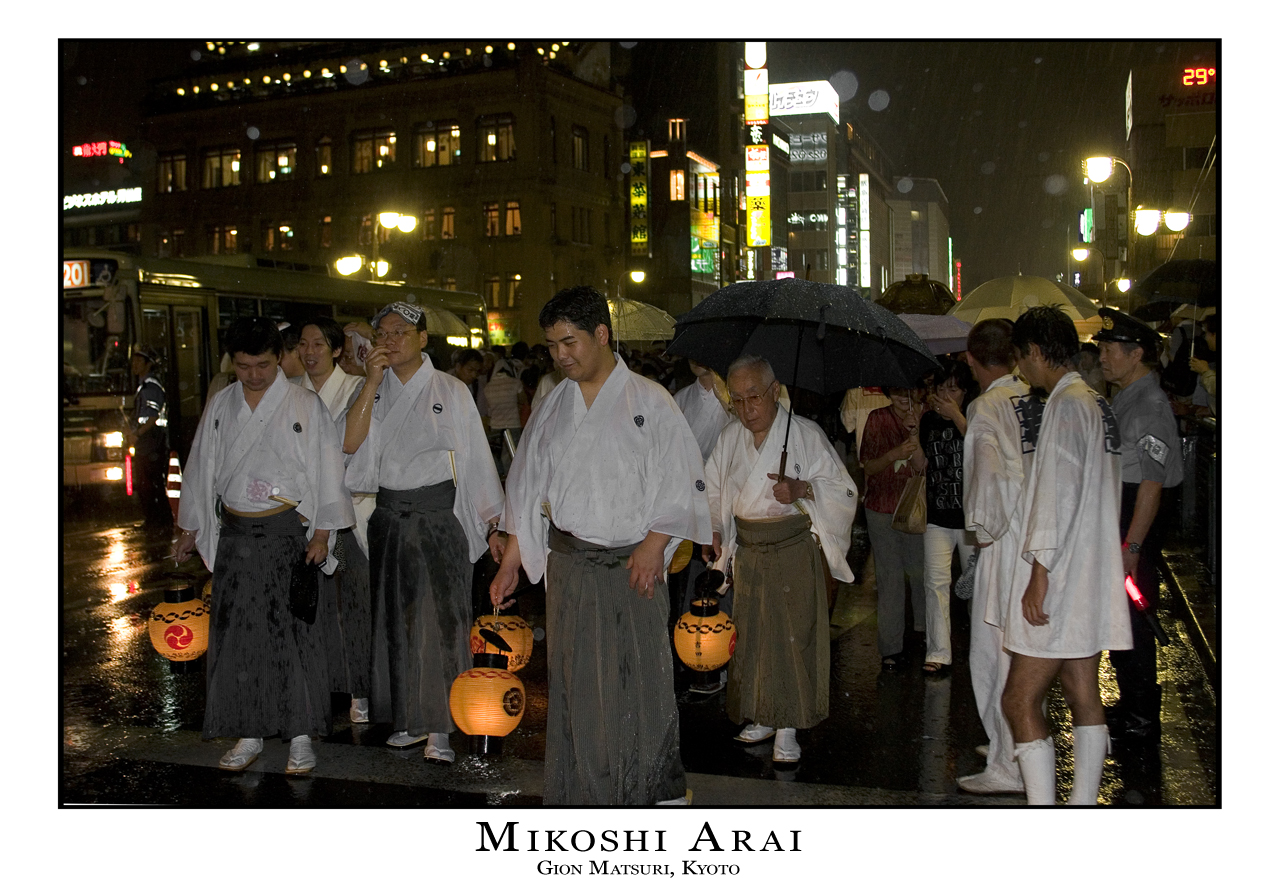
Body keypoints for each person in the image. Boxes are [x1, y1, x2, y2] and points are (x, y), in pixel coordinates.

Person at [489, 285, 711, 805]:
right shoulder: (551, 405)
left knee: (644, 677)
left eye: (569, 342)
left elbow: (681, 477)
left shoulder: (649, 399)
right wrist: (512, 562)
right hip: (570, 562)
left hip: (633, 559)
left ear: (601, 334)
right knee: (576, 681)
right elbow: (526, 486)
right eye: (551, 346)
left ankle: (655, 783)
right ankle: (585, 786)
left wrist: (656, 544)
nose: (560, 356)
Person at [172, 316, 354, 775]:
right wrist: (190, 527)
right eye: (244, 366)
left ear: (279, 358)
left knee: (293, 638)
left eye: (263, 365)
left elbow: (326, 468)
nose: (254, 375)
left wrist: (321, 532)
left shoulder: (303, 404)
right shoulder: (221, 404)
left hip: (285, 535)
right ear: (232, 363)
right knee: (239, 638)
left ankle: (299, 737)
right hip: (236, 534)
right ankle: (249, 731)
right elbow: (200, 467)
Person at [343, 302, 504, 764]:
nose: (389, 340)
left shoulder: (449, 389)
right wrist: (370, 383)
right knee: (393, 620)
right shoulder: (370, 390)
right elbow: (349, 445)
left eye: (400, 331)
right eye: (382, 334)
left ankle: (440, 727)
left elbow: (474, 458)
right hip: (388, 516)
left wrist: (493, 522)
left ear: (422, 339)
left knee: (440, 623)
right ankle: (409, 718)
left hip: (437, 517)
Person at [1000, 306, 1132, 805]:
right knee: (1083, 694)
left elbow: (1056, 495)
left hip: (1061, 576)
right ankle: (1081, 806)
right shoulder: (1097, 402)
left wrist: (1039, 573)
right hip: (1092, 570)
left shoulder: (1065, 404)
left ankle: (1046, 812)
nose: (1021, 370)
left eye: (1022, 359)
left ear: (1036, 352)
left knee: (1018, 700)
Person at [703, 355, 857, 763]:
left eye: (754, 397)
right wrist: (715, 529)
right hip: (749, 551)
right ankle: (762, 714)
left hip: (790, 549)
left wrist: (803, 488)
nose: (746, 409)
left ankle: (788, 725)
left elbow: (843, 490)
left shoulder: (805, 434)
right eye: (736, 400)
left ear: (774, 392)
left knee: (792, 635)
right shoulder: (730, 438)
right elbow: (714, 488)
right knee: (752, 636)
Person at [1095, 307, 1184, 743]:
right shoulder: (1127, 396)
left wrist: (1132, 547)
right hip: (1124, 517)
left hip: (1136, 521)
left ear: (1136, 354)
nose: (1103, 358)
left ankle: (1142, 716)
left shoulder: (1148, 404)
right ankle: (1131, 704)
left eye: (1110, 350)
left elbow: (1152, 482)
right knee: (1123, 618)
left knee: (1134, 618)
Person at [957, 319, 1038, 796]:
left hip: (1004, 544)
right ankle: (1014, 743)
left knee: (992, 654)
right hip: (1036, 542)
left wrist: (984, 531)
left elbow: (987, 476)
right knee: (1022, 653)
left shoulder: (986, 407)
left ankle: (1007, 761)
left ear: (971, 360)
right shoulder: (1034, 400)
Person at [298, 317, 374, 725]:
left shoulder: (354, 389)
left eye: (318, 345)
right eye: (303, 345)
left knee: (353, 605)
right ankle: (324, 683)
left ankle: (359, 688)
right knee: (317, 607)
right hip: (306, 513)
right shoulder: (294, 394)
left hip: (347, 513)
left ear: (337, 350)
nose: (310, 353)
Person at [859, 385, 928, 670]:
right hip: (880, 507)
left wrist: (915, 433)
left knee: (921, 575)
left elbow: (923, 465)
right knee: (890, 579)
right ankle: (891, 648)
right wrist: (894, 453)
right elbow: (868, 468)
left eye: (910, 392)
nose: (904, 397)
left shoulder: (926, 417)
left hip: (914, 508)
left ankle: (925, 636)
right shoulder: (877, 418)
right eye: (899, 391)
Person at [919, 358, 978, 675]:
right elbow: (920, 462)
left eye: (953, 389)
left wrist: (957, 416)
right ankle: (938, 652)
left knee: (977, 586)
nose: (946, 395)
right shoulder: (928, 421)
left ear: (965, 392)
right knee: (936, 583)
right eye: (941, 389)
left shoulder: (975, 416)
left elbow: (983, 449)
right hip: (937, 516)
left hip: (971, 519)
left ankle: (981, 649)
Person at [128, 345, 173, 531]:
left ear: (148, 365)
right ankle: (156, 520)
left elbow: (152, 417)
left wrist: (136, 434)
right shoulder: (143, 386)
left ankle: (158, 520)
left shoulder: (150, 386)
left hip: (151, 441)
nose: (135, 365)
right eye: (134, 361)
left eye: (139, 361)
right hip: (149, 441)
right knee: (149, 482)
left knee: (150, 483)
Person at [674, 360, 732, 464]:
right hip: (687, 467)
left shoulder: (733, 396)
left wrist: (723, 399)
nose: (696, 360)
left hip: (722, 468)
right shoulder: (681, 397)